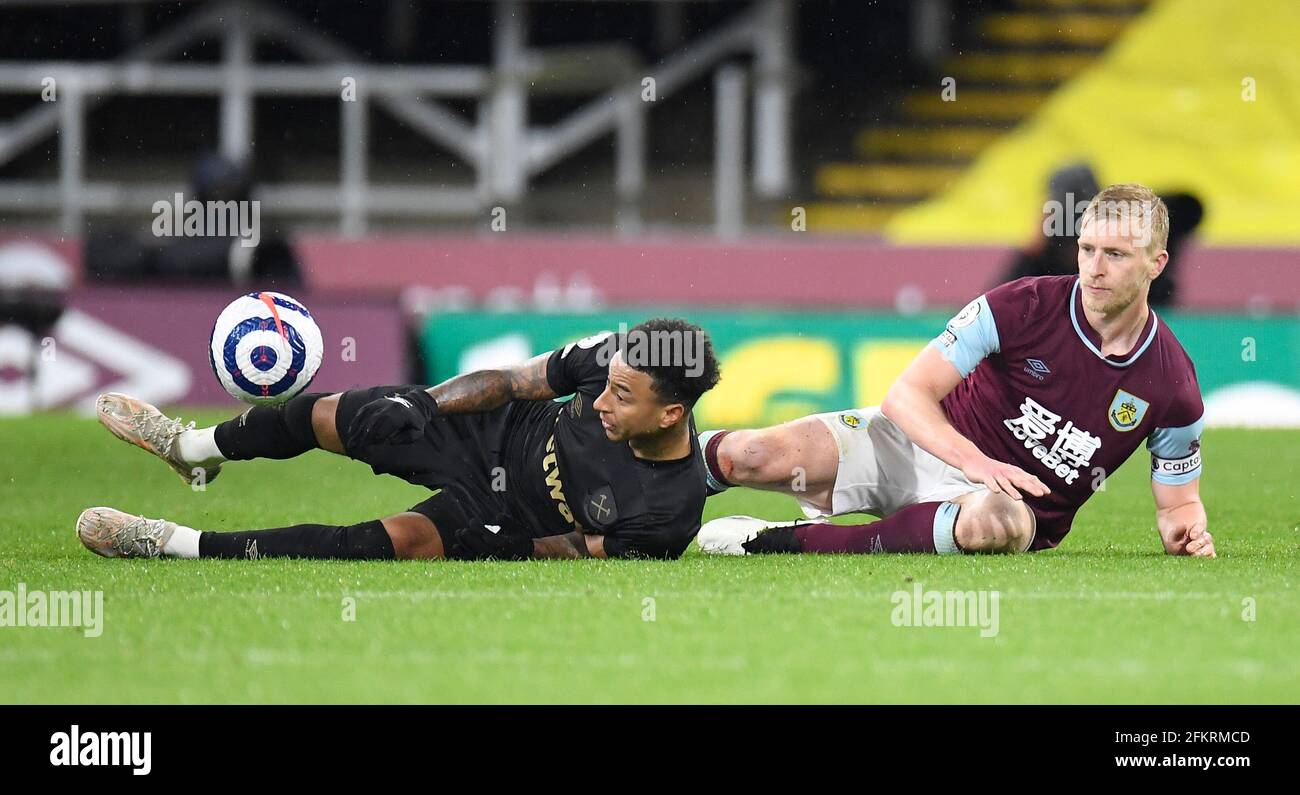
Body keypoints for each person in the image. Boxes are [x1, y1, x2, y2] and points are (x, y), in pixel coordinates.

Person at [698, 184, 1214, 558]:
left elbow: (1178, 506)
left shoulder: (1173, 388)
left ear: (1157, 263)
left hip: (1002, 505)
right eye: (1086, 249)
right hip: (912, 443)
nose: (1094, 269)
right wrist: (974, 459)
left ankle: (777, 541)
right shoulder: (1021, 304)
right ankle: (640, 471)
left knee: (993, 526)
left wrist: (1186, 532)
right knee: (750, 455)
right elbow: (907, 396)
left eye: (1116, 255)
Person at [78, 318, 721, 561]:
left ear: (671, 416)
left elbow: (583, 550)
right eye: (603, 386)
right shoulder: (616, 353)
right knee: (327, 417)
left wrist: (509, 548)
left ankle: (167, 544)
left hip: (503, 514)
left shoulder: (670, 511)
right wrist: (422, 402)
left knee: (386, 544)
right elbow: (508, 379)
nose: (601, 401)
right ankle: (192, 450)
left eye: (622, 398)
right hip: (486, 431)